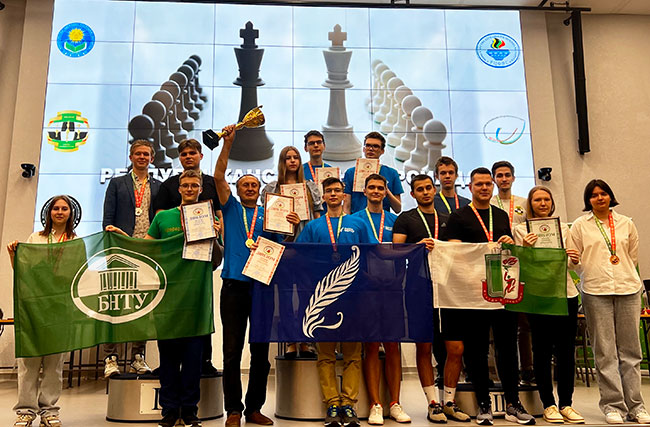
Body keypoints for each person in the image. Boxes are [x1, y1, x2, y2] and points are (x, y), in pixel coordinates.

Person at [108, 169, 221, 427]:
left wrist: (215, 237)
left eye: (194, 185)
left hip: (197, 297)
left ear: (200, 189)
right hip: (166, 298)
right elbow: (147, 251)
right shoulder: (163, 217)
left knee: (193, 360)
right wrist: (124, 238)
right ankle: (169, 411)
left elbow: (216, 260)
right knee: (168, 359)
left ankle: (190, 411)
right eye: (186, 185)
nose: (190, 189)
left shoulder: (209, 217)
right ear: (179, 189)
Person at [215, 125, 292, 427]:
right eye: (244, 184)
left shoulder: (270, 213)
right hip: (234, 286)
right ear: (236, 190)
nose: (249, 187)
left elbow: (282, 244)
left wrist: (290, 226)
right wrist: (228, 144)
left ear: (260, 190)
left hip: (262, 287)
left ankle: (254, 408)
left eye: (254, 185)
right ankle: (233, 410)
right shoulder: (231, 209)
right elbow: (218, 176)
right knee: (231, 351)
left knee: (260, 351)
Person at [444, 167, 534, 426]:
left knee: (507, 348)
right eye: (479, 184)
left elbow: (509, 252)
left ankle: (513, 403)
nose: (484, 188)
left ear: (492, 186)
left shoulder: (500, 215)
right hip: (473, 291)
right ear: (470, 187)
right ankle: (483, 403)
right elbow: (452, 252)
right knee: (477, 350)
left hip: (502, 289)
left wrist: (509, 243)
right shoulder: (459, 216)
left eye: (487, 184)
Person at [569, 179, 650, 425]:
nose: (599, 198)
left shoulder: (626, 223)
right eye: (594, 195)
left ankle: (636, 406)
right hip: (595, 290)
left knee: (631, 351)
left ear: (610, 196)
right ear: (588, 200)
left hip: (628, 288)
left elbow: (632, 257)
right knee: (605, 352)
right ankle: (613, 406)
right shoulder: (580, 226)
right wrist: (576, 263)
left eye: (603, 193)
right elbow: (574, 261)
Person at [393, 174, 469, 424]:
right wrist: (417, 246)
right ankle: (432, 404)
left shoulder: (449, 219)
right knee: (424, 347)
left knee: (455, 348)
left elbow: (460, 251)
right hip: (418, 289)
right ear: (412, 194)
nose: (425, 192)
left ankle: (449, 402)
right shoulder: (406, 219)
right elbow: (396, 251)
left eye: (428, 188)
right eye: (420, 189)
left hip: (448, 289)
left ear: (434, 190)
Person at [297, 177, 367, 427]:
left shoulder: (357, 223)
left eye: (338, 190)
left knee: (352, 353)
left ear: (344, 195)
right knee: (325, 353)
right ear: (324, 196)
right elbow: (300, 256)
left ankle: (348, 404)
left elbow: (370, 255)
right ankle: (332, 404)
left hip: (353, 296)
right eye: (329, 191)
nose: (334, 194)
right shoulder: (313, 227)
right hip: (324, 297)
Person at [513, 186, 585, 424]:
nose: (542, 203)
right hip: (538, 295)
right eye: (537, 200)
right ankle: (548, 405)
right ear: (530, 204)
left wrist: (575, 259)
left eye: (546, 199)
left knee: (566, 352)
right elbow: (518, 264)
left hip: (565, 293)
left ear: (552, 203)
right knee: (542, 351)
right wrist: (525, 248)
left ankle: (566, 404)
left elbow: (573, 265)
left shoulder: (563, 228)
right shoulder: (521, 230)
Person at [7, 195, 78, 427]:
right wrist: (13, 254)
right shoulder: (35, 238)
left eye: (64, 208)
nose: (60, 212)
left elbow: (79, 276)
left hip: (60, 309)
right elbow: (23, 272)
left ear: (71, 213)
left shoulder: (76, 242)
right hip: (34, 308)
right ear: (49, 212)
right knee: (29, 363)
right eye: (56, 208)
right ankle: (25, 411)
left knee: (54, 365)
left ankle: (49, 411)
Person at [153, 138, 222, 375]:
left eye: (192, 153)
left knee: (200, 319)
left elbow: (219, 216)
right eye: (184, 154)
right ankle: (168, 367)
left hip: (198, 268)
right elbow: (158, 228)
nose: (189, 189)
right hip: (172, 271)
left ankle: (205, 362)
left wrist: (217, 236)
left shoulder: (212, 184)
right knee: (171, 321)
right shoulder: (168, 189)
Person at [351, 174, 410, 425]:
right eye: (372, 187)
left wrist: (398, 279)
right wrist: (366, 278)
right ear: (364, 192)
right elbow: (352, 255)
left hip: (392, 290)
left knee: (393, 345)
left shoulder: (396, 220)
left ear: (386, 192)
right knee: (372, 346)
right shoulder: (354, 220)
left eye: (380, 188)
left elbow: (403, 254)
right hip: (366, 290)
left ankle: (395, 403)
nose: (376, 191)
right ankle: (375, 404)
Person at [101, 139, 160, 377]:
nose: (142, 157)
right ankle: (111, 357)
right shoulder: (117, 183)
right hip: (121, 249)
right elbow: (108, 221)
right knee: (114, 305)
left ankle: (137, 357)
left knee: (142, 306)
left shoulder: (158, 186)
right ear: (131, 157)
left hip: (147, 251)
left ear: (152, 158)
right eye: (138, 154)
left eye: (146, 154)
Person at [262, 145, 322, 358]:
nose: (293, 161)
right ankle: (290, 341)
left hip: (305, 249)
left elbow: (317, 218)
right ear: (282, 162)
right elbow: (267, 221)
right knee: (286, 298)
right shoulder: (272, 188)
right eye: (288, 158)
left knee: (307, 296)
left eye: (296, 157)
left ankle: (305, 341)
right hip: (283, 249)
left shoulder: (310, 187)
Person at [490, 160, 532, 386]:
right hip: (497, 266)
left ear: (513, 178)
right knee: (500, 325)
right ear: (494, 179)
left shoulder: (525, 203)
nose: (504, 179)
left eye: (507, 175)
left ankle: (527, 369)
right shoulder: (489, 203)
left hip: (521, 265)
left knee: (523, 322)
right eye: (499, 175)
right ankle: (504, 373)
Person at [343, 132, 403, 214]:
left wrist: (386, 190)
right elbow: (346, 204)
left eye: (375, 146)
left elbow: (398, 209)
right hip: (357, 218)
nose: (371, 149)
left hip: (381, 219)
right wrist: (347, 220)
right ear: (364, 149)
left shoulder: (392, 173)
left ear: (382, 151)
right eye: (368, 145)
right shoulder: (351, 173)